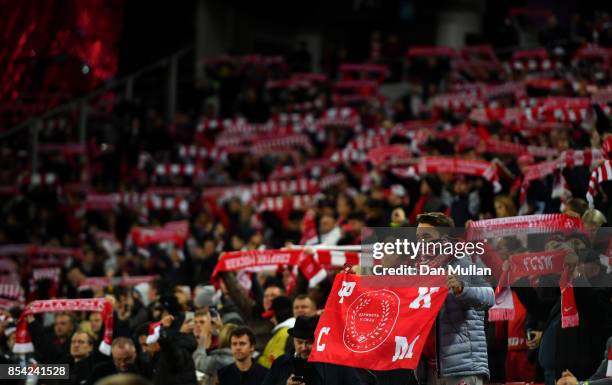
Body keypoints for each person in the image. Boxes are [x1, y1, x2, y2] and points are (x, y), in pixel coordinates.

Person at [415, 212, 495, 385]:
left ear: (444, 237)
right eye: (418, 237)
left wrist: (462, 289)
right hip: (430, 370)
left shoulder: (461, 261)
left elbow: (489, 296)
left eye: (426, 236)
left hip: (461, 367)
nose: (421, 242)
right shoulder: (419, 270)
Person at [262, 316, 366, 385]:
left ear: (319, 340)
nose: (303, 347)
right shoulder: (281, 363)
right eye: (299, 342)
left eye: (309, 342)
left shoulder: (337, 364)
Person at [259, 296, 294, 368]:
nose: (271, 320)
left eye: (273, 316)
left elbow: (275, 363)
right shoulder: (282, 332)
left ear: (280, 313)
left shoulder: (286, 333)